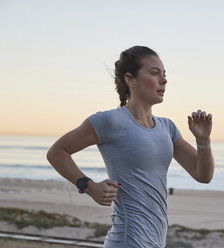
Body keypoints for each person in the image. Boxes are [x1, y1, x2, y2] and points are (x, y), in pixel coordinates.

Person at [46, 46, 214, 248]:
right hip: (127, 240)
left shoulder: (167, 127)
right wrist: (88, 186)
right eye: (154, 73)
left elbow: (203, 175)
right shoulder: (109, 121)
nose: (164, 80)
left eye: (164, 74)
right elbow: (57, 152)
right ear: (130, 79)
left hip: (156, 241)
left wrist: (203, 141)